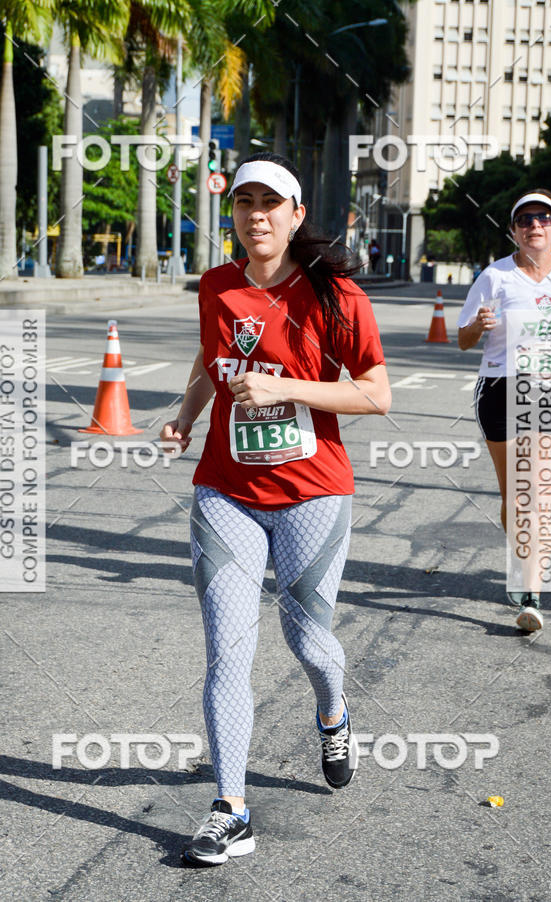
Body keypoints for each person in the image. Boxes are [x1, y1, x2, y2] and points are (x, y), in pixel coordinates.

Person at [160, 152, 391, 866]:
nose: (255, 215)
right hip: (224, 490)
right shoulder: (216, 285)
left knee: (309, 643)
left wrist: (288, 388)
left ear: (296, 216)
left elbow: (376, 392)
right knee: (228, 649)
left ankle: (333, 710)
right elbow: (212, 360)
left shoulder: (335, 294)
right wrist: (186, 415)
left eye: (270, 203)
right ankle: (230, 808)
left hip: (313, 493)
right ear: (231, 213)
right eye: (244, 202)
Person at [457, 189, 551, 631]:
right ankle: (523, 554)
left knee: (537, 492)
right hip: (500, 391)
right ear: (513, 231)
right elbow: (463, 340)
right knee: (516, 497)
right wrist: (478, 325)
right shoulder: (495, 277)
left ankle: (531, 593)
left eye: (544, 218)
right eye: (525, 220)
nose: (535, 225)